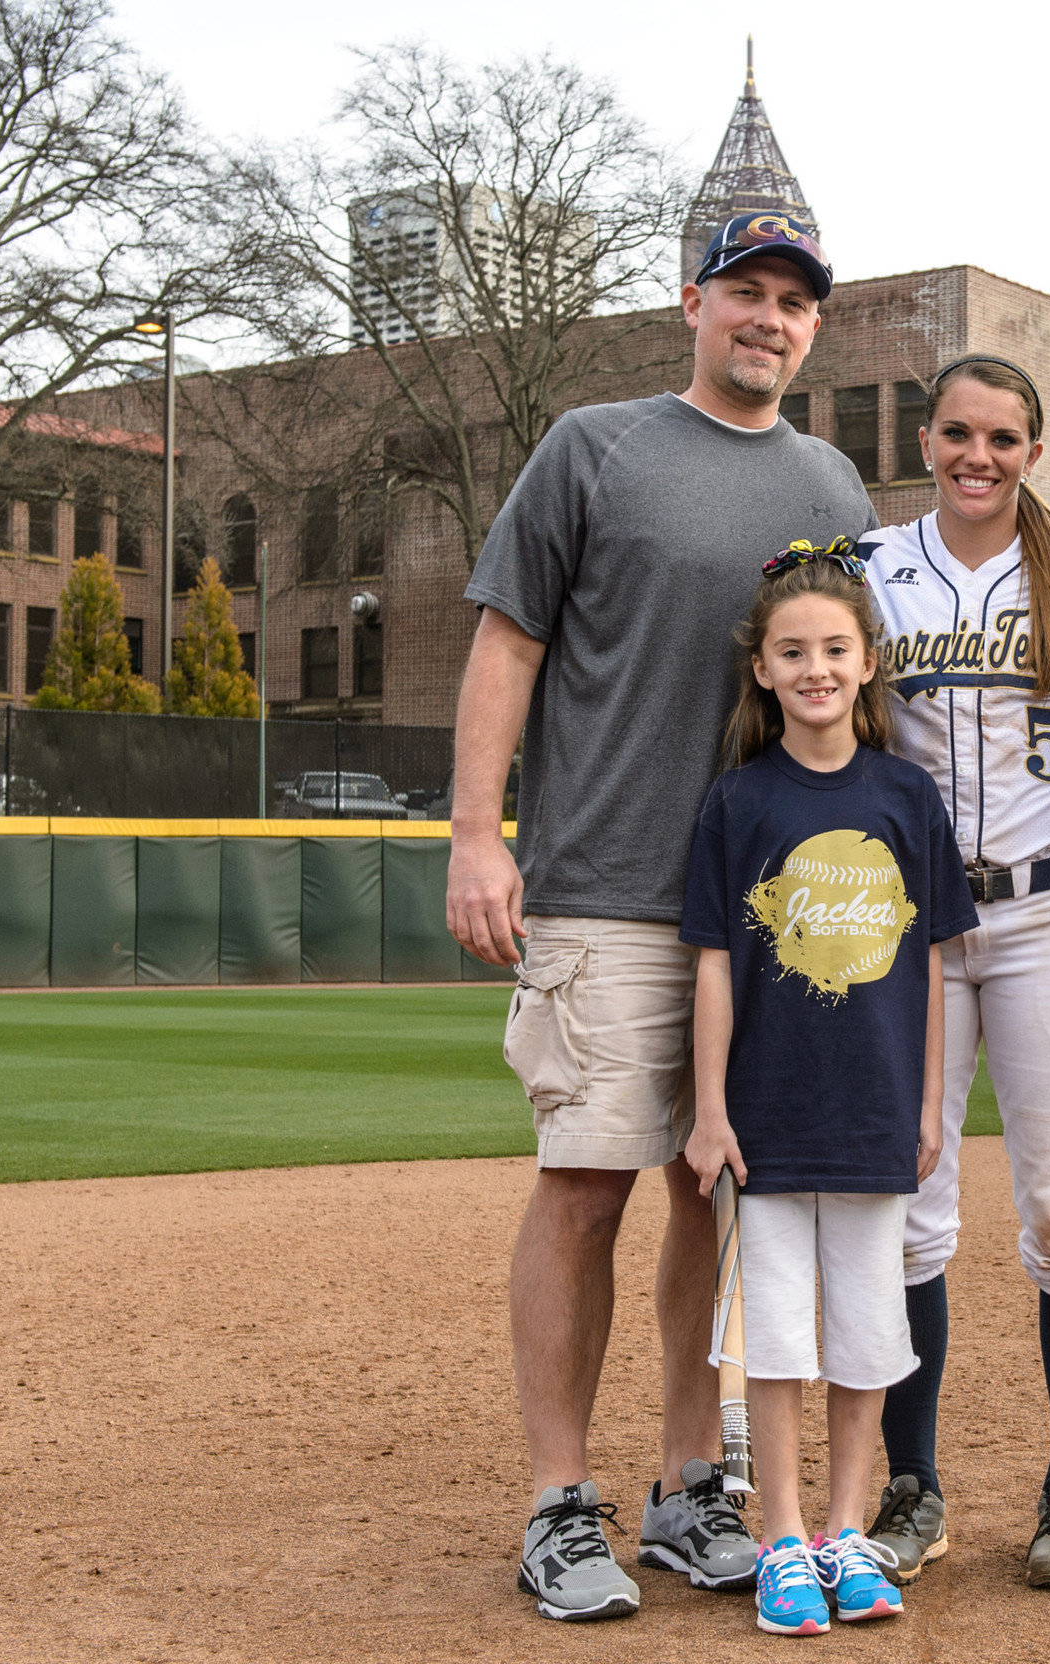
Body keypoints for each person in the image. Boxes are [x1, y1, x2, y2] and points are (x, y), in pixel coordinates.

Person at [445, 211, 876, 1624]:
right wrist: (476, 836)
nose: (769, 317)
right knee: (586, 1188)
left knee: (714, 1191)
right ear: (691, 302)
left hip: (764, 915)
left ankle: (691, 1486)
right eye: (745, 291)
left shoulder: (829, 481)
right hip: (609, 884)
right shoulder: (594, 444)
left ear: (816, 326)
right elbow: (507, 640)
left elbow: (868, 664)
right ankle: (559, 1503)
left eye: (793, 301)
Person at [856, 355, 1050, 1589]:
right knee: (909, 1203)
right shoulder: (869, 571)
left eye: (1005, 436)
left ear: (1034, 447)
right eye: (960, 432)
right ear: (928, 439)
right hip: (913, 924)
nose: (980, 454)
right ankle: (909, 1484)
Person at [680, 542, 978, 1635]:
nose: (814, 667)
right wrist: (709, 1108)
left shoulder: (905, 795)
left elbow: (936, 964)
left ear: (867, 665)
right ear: (761, 669)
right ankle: (783, 1537)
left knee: (863, 1333)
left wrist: (925, 1100)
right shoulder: (736, 803)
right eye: (791, 649)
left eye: (834, 648)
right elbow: (714, 963)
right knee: (777, 1340)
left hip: (871, 1113)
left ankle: (850, 1528)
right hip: (764, 1115)